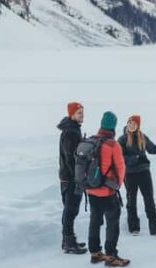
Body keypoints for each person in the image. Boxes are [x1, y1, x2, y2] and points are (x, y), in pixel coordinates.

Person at [118, 115, 156, 237]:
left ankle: (155, 229)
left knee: (149, 199)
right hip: (130, 174)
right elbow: (120, 158)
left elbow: (153, 149)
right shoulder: (122, 139)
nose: (131, 125)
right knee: (131, 200)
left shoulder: (142, 137)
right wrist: (134, 159)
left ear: (138, 125)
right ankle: (133, 228)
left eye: (134, 123)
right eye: (129, 123)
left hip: (144, 172)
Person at [87, 111, 130, 266]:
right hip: (107, 191)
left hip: (91, 190)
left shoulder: (92, 140)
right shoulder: (113, 144)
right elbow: (120, 167)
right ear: (114, 126)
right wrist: (117, 185)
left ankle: (95, 253)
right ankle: (111, 256)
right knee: (112, 222)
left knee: (95, 220)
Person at [57, 101, 87, 254]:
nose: (82, 115)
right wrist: (78, 178)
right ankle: (69, 242)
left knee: (70, 210)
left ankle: (67, 241)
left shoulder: (73, 129)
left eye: (82, 112)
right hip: (71, 178)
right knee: (71, 210)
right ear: (72, 114)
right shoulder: (71, 132)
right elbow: (70, 158)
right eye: (79, 113)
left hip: (67, 177)